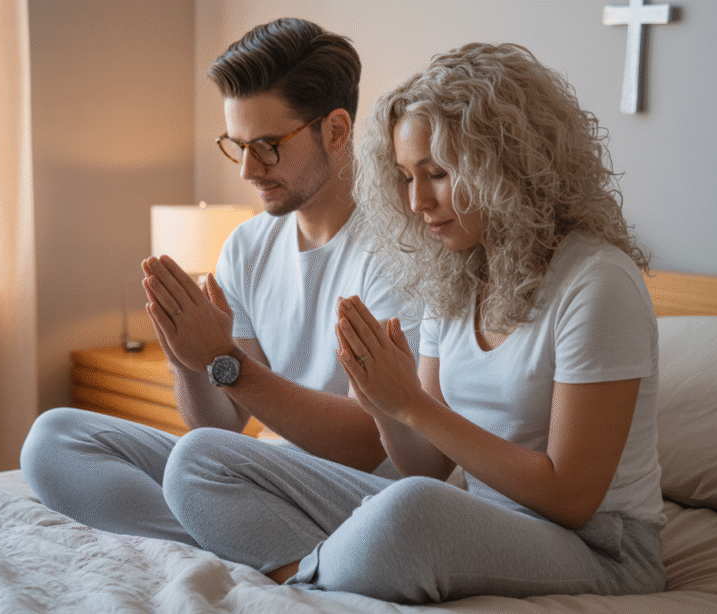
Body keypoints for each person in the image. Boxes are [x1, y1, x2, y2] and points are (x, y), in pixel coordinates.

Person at [162, 43, 666, 603]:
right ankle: (320, 576)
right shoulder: (456, 278)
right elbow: (425, 465)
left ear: (507, 165)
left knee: (411, 512)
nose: (418, 201)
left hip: (600, 546)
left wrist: (413, 406)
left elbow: (572, 496)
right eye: (404, 177)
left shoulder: (597, 283)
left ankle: (305, 584)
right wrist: (382, 401)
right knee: (199, 460)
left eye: (437, 174)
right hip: (472, 517)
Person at [19, 18, 418, 547]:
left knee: (198, 461)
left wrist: (226, 363)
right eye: (236, 145)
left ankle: (244, 538)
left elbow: (366, 444)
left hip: (360, 493)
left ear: (337, 131)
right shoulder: (248, 246)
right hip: (267, 476)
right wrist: (189, 357)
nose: (247, 171)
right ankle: (248, 545)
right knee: (53, 437)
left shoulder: (399, 248)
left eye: (268, 145)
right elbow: (221, 425)